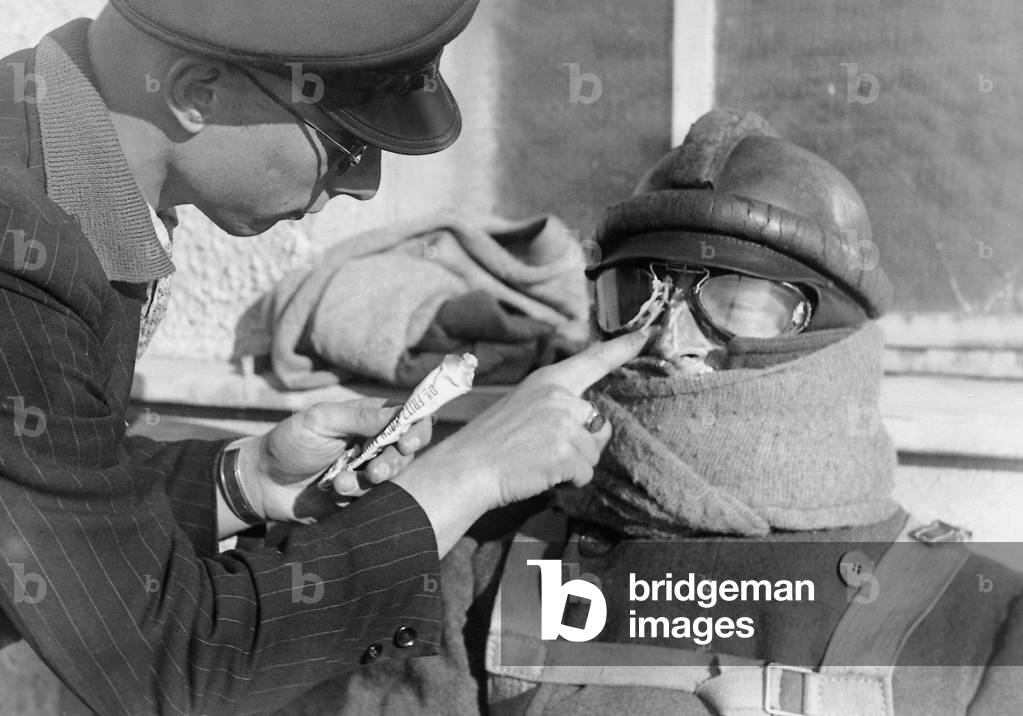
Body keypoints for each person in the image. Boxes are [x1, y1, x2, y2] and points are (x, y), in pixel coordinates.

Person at [0, 2, 650, 714]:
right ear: (194, 94)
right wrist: (469, 472)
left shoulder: (51, 156)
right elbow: (168, 661)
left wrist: (244, 480)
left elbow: (47, 494)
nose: (362, 183)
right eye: (345, 143)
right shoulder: (21, 251)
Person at [312, 110, 1023, 716]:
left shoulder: (981, 617)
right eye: (636, 294)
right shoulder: (482, 566)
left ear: (829, 330)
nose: (667, 338)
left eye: (735, 298)